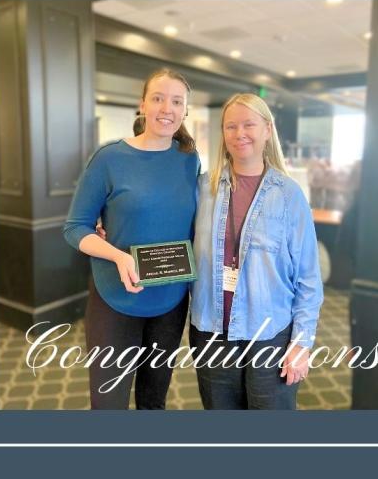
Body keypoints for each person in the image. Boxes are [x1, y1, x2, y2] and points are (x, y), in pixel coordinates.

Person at [63, 68, 199, 410]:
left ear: (185, 110)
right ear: (142, 104)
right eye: (158, 98)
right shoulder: (109, 159)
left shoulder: (189, 159)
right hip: (115, 298)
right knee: (108, 404)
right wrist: (118, 255)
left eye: (176, 101)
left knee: (154, 401)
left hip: (170, 301)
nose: (167, 108)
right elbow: (75, 227)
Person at [189, 93, 324, 410]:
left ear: (267, 129)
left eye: (249, 124)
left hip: (270, 332)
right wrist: (110, 225)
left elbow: (308, 277)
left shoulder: (289, 195)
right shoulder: (203, 189)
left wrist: (301, 342)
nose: (240, 134)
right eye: (231, 126)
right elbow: (168, 229)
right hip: (211, 330)